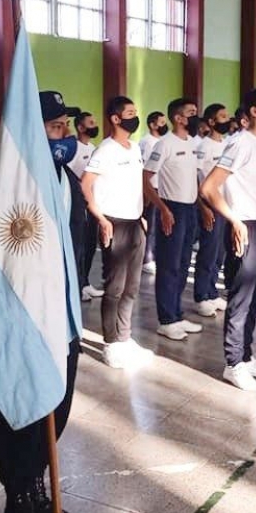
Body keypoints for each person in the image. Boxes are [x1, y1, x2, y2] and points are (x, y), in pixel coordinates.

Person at [0, 90, 85, 513]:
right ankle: (16, 501)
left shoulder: (68, 181)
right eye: (55, 127)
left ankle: (39, 490)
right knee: (20, 416)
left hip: (64, 323)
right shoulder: (3, 192)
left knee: (56, 411)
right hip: (22, 325)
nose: (65, 135)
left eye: (65, 126)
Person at [200, 88, 256, 391]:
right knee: (241, 299)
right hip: (244, 227)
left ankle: (246, 357)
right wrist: (234, 220)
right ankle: (233, 364)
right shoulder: (240, 143)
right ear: (255, 112)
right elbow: (209, 188)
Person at [82, 96, 153, 368]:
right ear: (115, 118)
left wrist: (141, 215)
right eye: (130, 113)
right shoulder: (105, 150)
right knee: (115, 287)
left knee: (132, 286)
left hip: (135, 223)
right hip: (114, 223)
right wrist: (101, 218)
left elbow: (135, 184)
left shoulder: (134, 148)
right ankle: (110, 343)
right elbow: (85, 185)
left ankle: (124, 337)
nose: (134, 117)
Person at [143, 98, 204, 341]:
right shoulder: (164, 144)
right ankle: (166, 319)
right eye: (191, 112)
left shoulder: (192, 143)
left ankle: (177, 313)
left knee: (184, 262)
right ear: (178, 118)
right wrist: (163, 209)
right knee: (169, 265)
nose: (195, 116)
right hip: (172, 208)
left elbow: (193, 179)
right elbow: (145, 179)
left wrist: (202, 207)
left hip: (190, 208)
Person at [193, 104, 230, 317]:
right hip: (209, 205)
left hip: (224, 204)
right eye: (222, 117)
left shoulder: (227, 144)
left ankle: (212, 291)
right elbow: (195, 178)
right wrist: (203, 207)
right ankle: (201, 296)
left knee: (219, 252)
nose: (227, 119)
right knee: (208, 251)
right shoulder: (204, 146)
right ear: (212, 122)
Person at [69, 111, 104, 301]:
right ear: (80, 127)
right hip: (78, 204)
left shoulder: (93, 148)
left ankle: (85, 282)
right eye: (90, 123)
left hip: (93, 204)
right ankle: (77, 284)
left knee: (90, 245)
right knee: (80, 247)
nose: (94, 126)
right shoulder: (73, 148)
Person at [139, 111, 169, 274]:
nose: (165, 125)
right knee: (150, 224)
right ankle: (147, 258)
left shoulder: (163, 141)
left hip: (163, 187)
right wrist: (146, 191)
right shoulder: (147, 142)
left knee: (158, 224)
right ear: (152, 125)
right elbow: (144, 168)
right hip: (152, 187)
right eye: (161, 122)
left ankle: (155, 255)